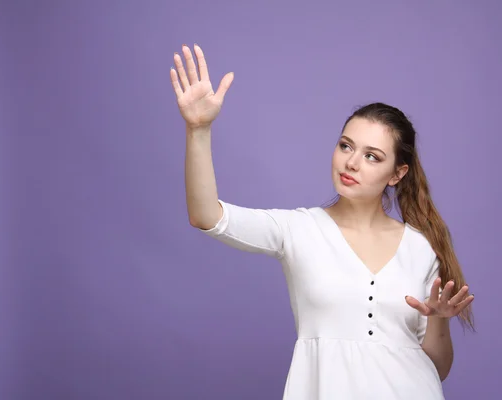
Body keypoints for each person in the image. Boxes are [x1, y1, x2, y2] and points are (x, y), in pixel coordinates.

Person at [170, 43, 475, 400]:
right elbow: (207, 215)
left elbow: (436, 369)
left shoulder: (421, 248)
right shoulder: (299, 230)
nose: (352, 163)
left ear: (397, 173)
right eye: (346, 146)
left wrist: (439, 318)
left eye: (372, 156)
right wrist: (198, 129)